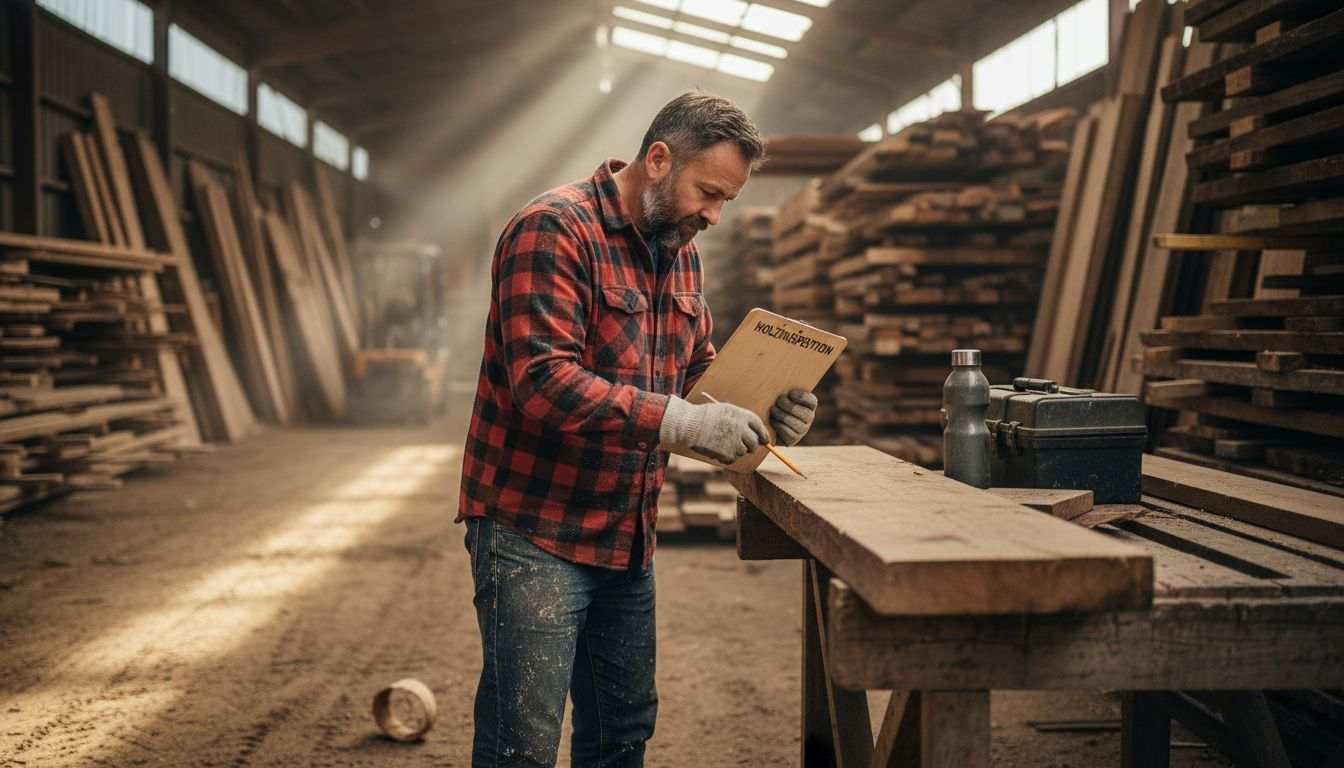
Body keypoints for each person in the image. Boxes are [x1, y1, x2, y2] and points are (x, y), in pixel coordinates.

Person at [457, 90, 820, 767]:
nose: (714, 216)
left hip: (627, 537)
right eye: (708, 193)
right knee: (523, 744)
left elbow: (696, 375)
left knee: (622, 734)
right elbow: (541, 381)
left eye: (726, 203)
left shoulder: (676, 248)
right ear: (658, 159)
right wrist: (679, 421)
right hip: (534, 529)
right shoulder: (553, 229)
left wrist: (766, 414)